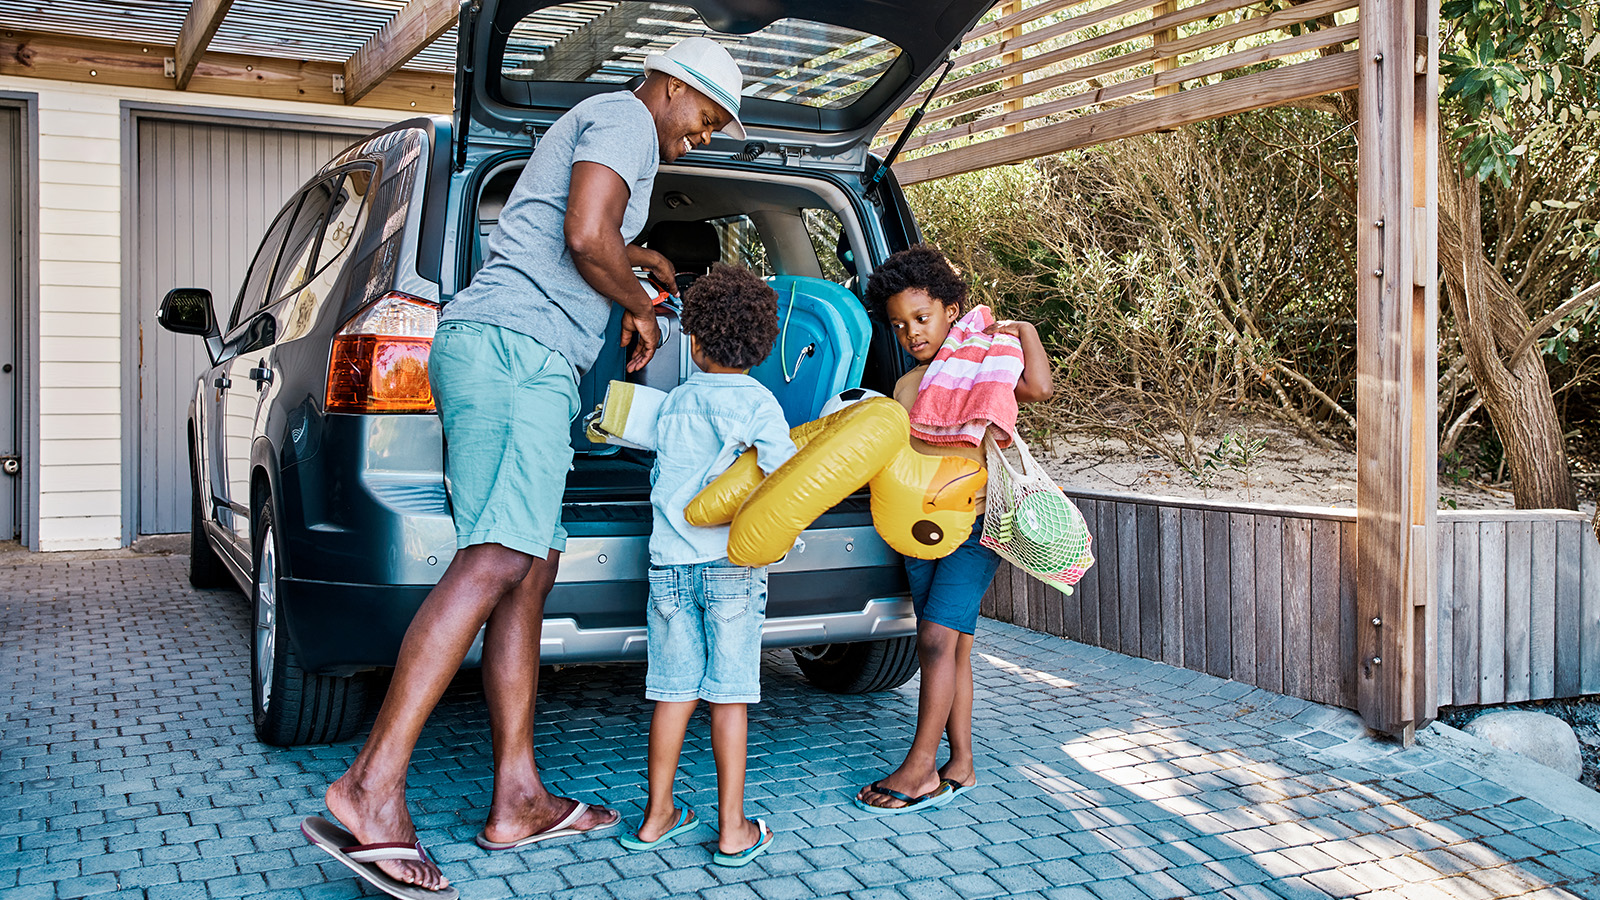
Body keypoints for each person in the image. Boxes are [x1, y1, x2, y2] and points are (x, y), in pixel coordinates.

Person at [307, 38, 749, 898]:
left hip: (514, 359)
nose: (698, 140)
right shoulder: (623, 115)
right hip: (519, 356)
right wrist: (642, 310)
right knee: (496, 560)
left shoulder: (613, 128)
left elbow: (594, 235)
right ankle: (369, 786)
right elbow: (587, 234)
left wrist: (645, 265)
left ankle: (518, 798)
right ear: (669, 86)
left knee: (527, 572)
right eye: (701, 122)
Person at [854, 245, 1054, 814]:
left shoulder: (986, 362)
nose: (912, 332)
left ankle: (920, 769)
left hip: (976, 522)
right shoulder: (907, 385)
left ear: (950, 309)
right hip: (919, 528)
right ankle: (960, 764)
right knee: (953, 645)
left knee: (937, 640)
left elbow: (1038, 390)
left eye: (921, 318)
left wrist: (1027, 330)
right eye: (899, 325)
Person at [617, 264, 795, 866]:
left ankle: (656, 814)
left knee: (671, 693)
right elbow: (786, 477)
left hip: (669, 566)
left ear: (692, 341)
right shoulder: (761, 404)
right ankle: (732, 828)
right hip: (731, 570)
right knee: (729, 696)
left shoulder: (675, 402)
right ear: (765, 345)